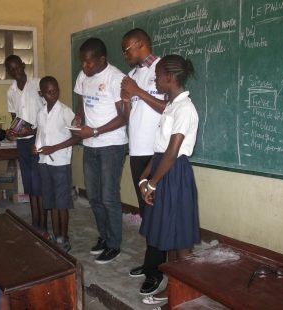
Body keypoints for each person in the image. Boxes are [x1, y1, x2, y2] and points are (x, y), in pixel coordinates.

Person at [138, 54, 200, 305]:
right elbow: (161, 149)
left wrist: (152, 182)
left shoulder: (185, 109)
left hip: (175, 174)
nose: (155, 80)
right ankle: (175, 286)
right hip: (164, 169)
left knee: (180, 237)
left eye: (157, 77)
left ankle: (184, 289)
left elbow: (173, 153)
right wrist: (144, 177)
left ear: (170, 78)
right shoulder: (171, 106)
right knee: (171, 235)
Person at [72, 37, 128, 264]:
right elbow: (81, 100)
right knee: (94, 196)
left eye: (89, 63)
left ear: (102, 59)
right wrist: (78, 116)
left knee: (108, 197)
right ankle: (104, 237)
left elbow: (124, 117)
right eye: (82, 63)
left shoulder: (116, 78)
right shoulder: (83, 75)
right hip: (91, 144)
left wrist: (94, 131)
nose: (84, 68)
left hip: (111, 145)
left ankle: (114, 244)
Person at [120, 28, 167, 296]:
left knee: (156, 212)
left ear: (140, 44)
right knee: (146, 213)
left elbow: (167, 107)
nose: (124, 54)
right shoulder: (133, 75)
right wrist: (127, 99)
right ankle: (152, 261)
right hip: (136, 151)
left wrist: (137, 90)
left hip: (156, 152)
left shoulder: (162, 68)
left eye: (127, 49)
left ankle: (156, 272)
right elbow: (130, 114)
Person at [33, 76, 80, 252]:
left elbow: (76, 137)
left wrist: (54, 148)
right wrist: (36, 148)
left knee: (62, 203)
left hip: (60, 163)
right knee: (51, 202)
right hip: (44, 163)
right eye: (49, 92)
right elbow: (40, 136)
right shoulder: (41, 113)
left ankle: (64, 237)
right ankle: (56, 235)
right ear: (41, 94)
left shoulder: (65, 112)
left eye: (56, 90)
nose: (53, 94)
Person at [5, 55, 45, 234]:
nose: (16, 72)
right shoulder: (11, 91)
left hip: (38, 140)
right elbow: (15, 120)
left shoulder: (38, 85)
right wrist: (12, 131)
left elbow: (47, 113)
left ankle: (42, 224)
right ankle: (35, 222)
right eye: (11, 70)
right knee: (29, 184)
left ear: (23, 65)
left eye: (17, 67)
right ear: (9, 72)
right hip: (22, 143)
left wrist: (32, 131)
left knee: (39, 184)